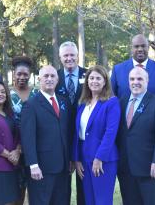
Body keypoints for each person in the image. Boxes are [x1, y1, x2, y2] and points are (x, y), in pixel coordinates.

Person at [116, 67, 155, 205]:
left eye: (140, 79)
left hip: (150, 168)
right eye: (132, 79)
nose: (135, 82)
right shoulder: (121, 102)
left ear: (147, 81)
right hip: (126, 168)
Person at [21, 65, 70, 205]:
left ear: (57, 79)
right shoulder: (31, 105)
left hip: (63, 167)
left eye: (52, 76)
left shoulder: (63, 101)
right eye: (46, 76)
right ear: (39, 79)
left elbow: (66, 132)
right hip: (42, 168)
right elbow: (27, 138)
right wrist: (33, 165)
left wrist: (70, 159)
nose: (49, 79)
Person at [72, 65, 120, 205]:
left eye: (98, 78)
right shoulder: (83, 103)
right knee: (90, 200)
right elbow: (78, 133)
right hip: (84, 158)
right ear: (87, 81)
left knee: (102, 201)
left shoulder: (112, 102)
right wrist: (77, 158)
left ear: (105, 81)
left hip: (103, 160)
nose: (94, 81)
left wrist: (99, 158)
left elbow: (110, 133)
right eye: (91, 78)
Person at [55, 41, 87, 205]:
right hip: (61, 141)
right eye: (65, 55)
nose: (69, 58)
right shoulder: (54, 77)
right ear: (60, 58)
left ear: (77, 56)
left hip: (84, 140)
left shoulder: (89, 75)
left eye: (72, 55)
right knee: (62, 188)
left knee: (85, 186)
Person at [10, 56, 38, 204]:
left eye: (25, 74)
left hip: (33, 147)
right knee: (17, 191)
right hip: (13, 147)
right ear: (13, 73)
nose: (22, 77)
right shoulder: (6, 94)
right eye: (19, 74)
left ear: (30, 75)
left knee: (35, 189)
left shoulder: (36, 94)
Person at [111, 34, 155, 100]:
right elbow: (112, 99)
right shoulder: (118, 70)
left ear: (148, 48)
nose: (140, 49)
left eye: (143, 46)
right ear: (131, 48)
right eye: (136, 46)